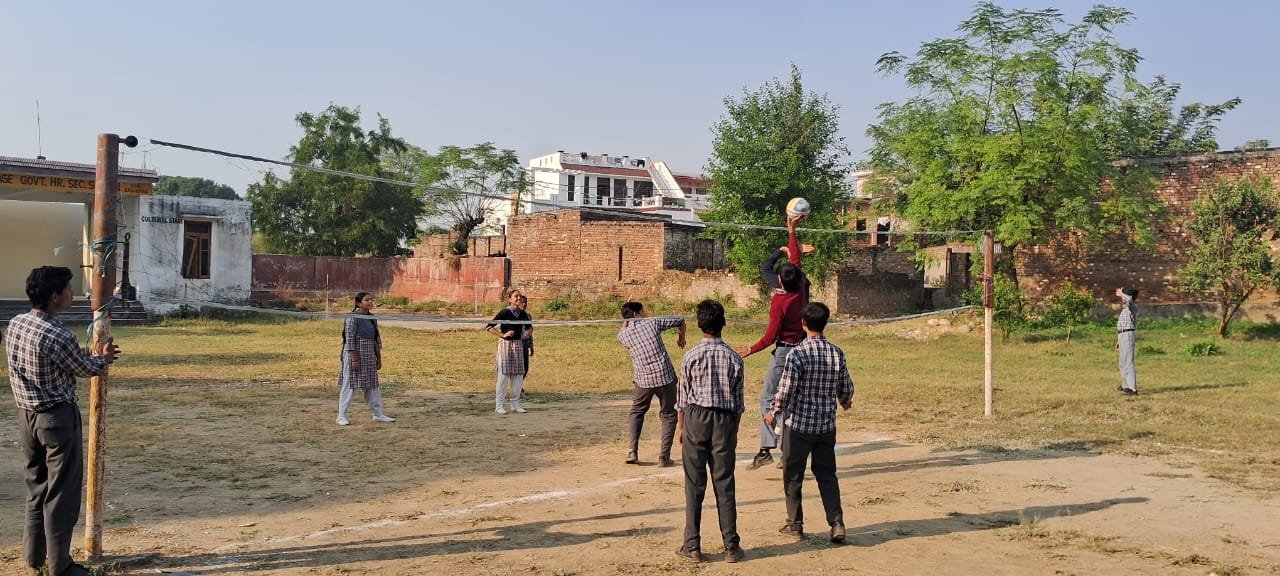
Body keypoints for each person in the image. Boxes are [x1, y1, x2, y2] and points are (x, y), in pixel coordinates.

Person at [5, 266, 120, 576]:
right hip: (56, 419)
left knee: (37, 487)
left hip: (27, 417)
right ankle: (61, 566)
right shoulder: (58, 335)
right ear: (55, 296)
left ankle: (34, 558)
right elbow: (84, 368)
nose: (73, 294)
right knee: (61, 493)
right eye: (69, 289)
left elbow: (61, 361)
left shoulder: (16, 323)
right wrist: (103, 359)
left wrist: (88, 357)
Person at [765, 302, 853, 544]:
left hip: (798, 426)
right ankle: (836, 522)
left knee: (793, 475)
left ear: (803, 324)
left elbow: (785, 390)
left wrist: (773, 411)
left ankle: (795, 524)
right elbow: (845, 386)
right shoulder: (836, 352)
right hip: (825, 426)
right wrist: (845, 400)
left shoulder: (797, 354)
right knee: (827, 474)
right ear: (826, 323)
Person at [736, 213, 809, 470]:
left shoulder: (779, 302)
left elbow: (770, 337)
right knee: (793, 399)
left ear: (779, 280)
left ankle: (766, 449)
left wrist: (750, 349)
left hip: (785, 353)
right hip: (803, 350)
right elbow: (796, 259)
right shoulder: (801, 287)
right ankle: (787, 452)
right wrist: (791, 231)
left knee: (769, 398)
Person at [675, 299, 745, 564]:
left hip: (695, 417)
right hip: (724, 420)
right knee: (724, 482)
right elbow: (738, 402)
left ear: (698, 324)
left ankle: (692, 545)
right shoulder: (734, 357)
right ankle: (731, 546)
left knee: (694, 483)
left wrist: (681, 427)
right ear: (724, 323)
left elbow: (683, 396)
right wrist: (733, 430)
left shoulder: (691, 355)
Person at [617, 301, 686, 466]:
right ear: (637, 314)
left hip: (643, 380)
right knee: (669, 414)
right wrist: (681, 337)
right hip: (665, 377)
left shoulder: (623, 336)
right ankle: (664, 457)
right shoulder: (652, 323)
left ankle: (632, 451)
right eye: (643, 311)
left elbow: (623, 328)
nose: (646, 313)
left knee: (637, 412)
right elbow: (680, 320)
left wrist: (627, 318)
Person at [337, 292, 394, 425]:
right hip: (354, 355)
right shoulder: (352, 318)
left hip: (369, 355)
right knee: (349, 385)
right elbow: (350, 340)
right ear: (358, 303)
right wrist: (354, 360)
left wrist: (378, 358)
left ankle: (378, 414)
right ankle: (341, 416)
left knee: (373, 386)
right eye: (367, 300)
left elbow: (376, 339)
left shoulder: (372, 318)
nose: (370, 302)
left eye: (371, 299)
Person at [486, 291, 533, 414]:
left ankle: (515, 404)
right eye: (516, 296)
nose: (519, 298)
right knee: (503, 376)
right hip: (505, 345)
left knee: (518, 375)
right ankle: (499, 405)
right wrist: (503, 335)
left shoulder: (523, 313)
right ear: (510, 300)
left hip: (518, 344)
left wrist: (528, 332)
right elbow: (489, 327)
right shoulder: (504, 312)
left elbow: (529, 327)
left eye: (520, 296)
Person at [1115, 287, 1139, 396]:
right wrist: (1118, 340)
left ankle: (1133, 388)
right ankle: (1126, 385)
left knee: (1128, 362)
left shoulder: (1132, 306)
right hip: (1122, 335)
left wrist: (1121, 293)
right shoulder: (1125, 309)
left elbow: (1129, 300)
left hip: (1128, 335)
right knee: (1122, 362)